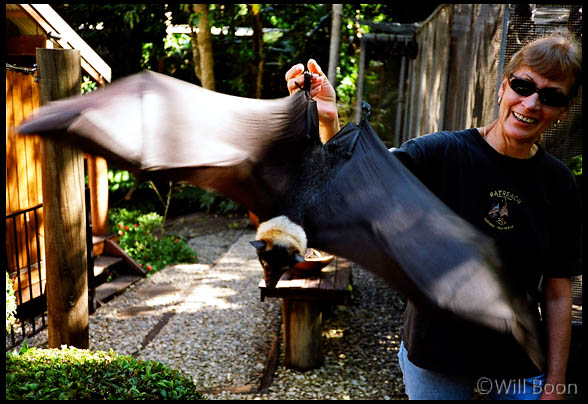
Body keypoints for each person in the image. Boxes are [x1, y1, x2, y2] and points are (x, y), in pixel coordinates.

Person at [285, 34, 581, 400]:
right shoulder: (441, 154)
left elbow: (556, 291)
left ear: (562, 112)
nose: (532, 103)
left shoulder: (558, 184)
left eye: (551, 96)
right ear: (503, 88)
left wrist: (556, 382)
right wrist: (329, 121)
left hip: (517, 362)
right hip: (436, 354)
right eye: (523, 85)